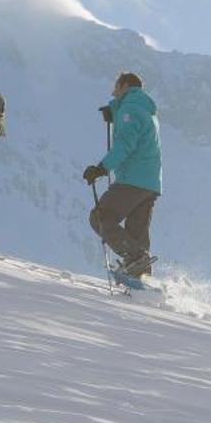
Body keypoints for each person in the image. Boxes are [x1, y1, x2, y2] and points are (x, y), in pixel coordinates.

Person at [82, 72, 161, 278]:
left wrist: (101, 168)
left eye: (115, 87)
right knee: (136, 234)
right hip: (150, 184)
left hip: (132, 181)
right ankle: (141, 279)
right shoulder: (145, 110)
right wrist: (115, 113)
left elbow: (125, 145)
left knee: (100, 217)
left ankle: (135, 259)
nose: (112, 92)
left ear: (125, 85)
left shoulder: (130, 110)